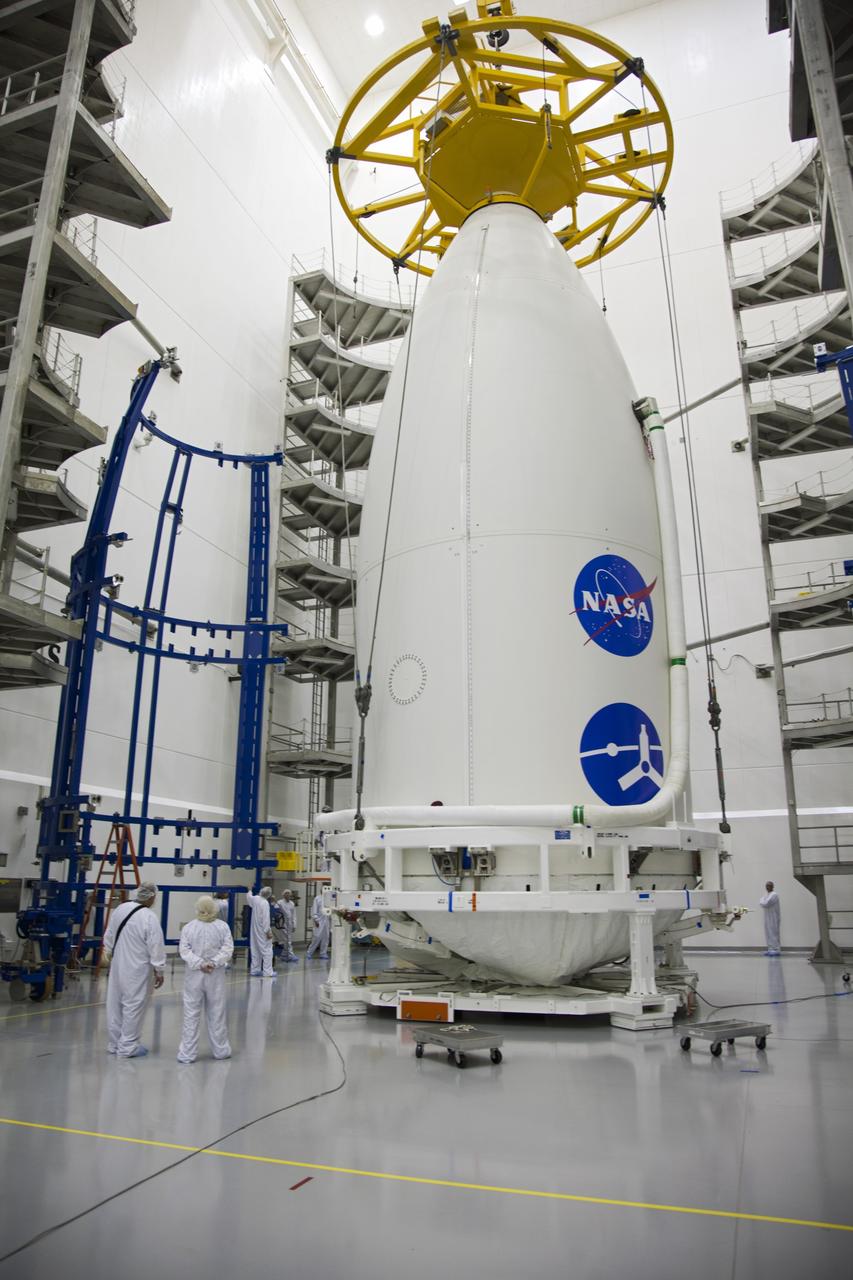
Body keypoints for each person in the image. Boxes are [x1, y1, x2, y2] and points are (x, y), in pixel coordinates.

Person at [103, 882, 166, 1058]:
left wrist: (109, 953)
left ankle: (114, 1044)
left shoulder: (121, 909)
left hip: (117, 965)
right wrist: (159, 970)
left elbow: (108, 935)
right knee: (134, 1004)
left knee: (114, 1003)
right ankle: (128, 1046)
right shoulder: (149, 917)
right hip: (138, 968)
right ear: (152, 896)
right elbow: (156, 945)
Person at [176, 895, 234, 1063]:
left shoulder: (189, 927)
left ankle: (187, 1054)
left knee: (191, 1014)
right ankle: (221, 1051)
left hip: (194, 976)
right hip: (214, 976)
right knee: (217, 1012)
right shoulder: (222, 927)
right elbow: (227, 949)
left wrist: (200, 963)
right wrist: (214, 963)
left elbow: (184, 950)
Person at [246, 884, 275, 977]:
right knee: (267, 951)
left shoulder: (255, 899)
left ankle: (255, 970)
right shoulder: (265, 903)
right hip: (262, 931)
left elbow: (248, 897)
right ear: (269, 895)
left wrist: (249, 889)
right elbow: (266, 919)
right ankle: (268, 972)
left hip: (254, 930)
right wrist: (268, 931)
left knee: (255, 950)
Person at [306, 888, 330, 960]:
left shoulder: (329, 899)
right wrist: (316, 920)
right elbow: (314, 910)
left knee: (326, 938)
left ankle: (323, 953)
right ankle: (309, 952)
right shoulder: (317, 898)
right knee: (316, 937)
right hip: (319, 921)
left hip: (327, 921)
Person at [759, 881, 781, 956]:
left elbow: (765, 903)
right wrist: (762, 902)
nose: (767, 887)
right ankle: (770, 948)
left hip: (773, 917)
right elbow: (761, 902)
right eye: (766, 886)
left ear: (772, 887)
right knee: (768, 932)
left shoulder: (774, 895)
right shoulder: (766, 895)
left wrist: (763, 901)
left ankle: (776, 949)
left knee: (773, 932)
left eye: (769, 886)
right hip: (767, 917)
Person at [279, 889, 299, 963]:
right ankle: (290, 955)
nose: (288, 895)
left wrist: (294, 925)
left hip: (290, 923)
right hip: (283, 923)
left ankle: (283, 955)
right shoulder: (280, 902)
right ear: (283, 895)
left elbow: (294, 915)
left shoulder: (292, 903)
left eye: (289, 893)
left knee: (288, 939)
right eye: (286, 893)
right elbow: (275, 909)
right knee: (287, 940)